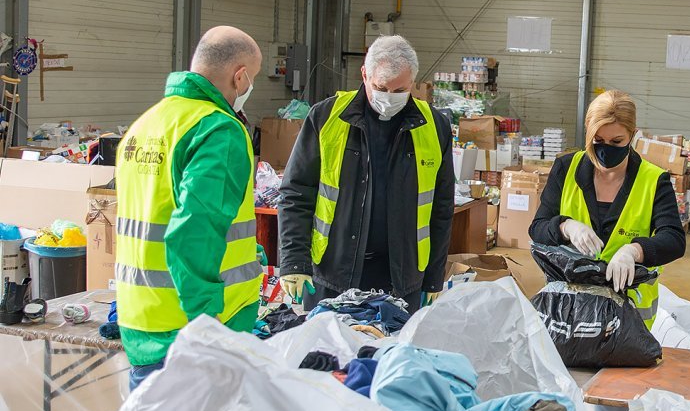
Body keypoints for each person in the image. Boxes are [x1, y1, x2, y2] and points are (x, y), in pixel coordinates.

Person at [115, 26, 265, 391]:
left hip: (143, 321)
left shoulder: (145, 124)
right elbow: (194, 230)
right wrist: (206, 321)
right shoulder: (219, 130)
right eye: (253, 79)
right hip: (195, 331)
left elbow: (160, 214)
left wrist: (247, 251)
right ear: (239, 75)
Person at [278, 35, 455, 314]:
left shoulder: (434, 126)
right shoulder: (326, 118)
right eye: (381, 87)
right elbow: (296, 193)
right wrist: (293, 262)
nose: (390, 97)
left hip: (403, 276)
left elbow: (441, 208)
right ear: (364, 74)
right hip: (334, 273)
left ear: (414, 82)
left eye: (401, 90)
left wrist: (434, 275)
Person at [530, 90, 685, 329]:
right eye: (598, 141)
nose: (605, 150)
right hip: (569, 314)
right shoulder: (566, 168)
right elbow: (538, 228)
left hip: (628, 320)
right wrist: (566, 226)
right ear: (588, 132)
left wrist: (634, 251)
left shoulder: (654, 180)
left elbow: (674, 239)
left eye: (616, 142)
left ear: (632, 136)